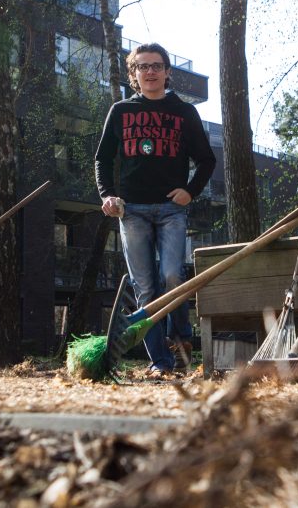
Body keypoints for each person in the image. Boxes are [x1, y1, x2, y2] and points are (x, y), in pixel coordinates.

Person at [95, 43, 216, 377]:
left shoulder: (185, 113)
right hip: (131, 210)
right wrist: (107, 195)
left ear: (167, 72)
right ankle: (160, 361)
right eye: (142, 66)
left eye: (156, 66)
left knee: (173, 276)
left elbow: (207, 160)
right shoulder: (120, 111)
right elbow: (103, 159)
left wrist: (190, 192)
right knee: (145, 287)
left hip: (170, 210)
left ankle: (181, 343)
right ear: (134, 73)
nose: (150, 72)